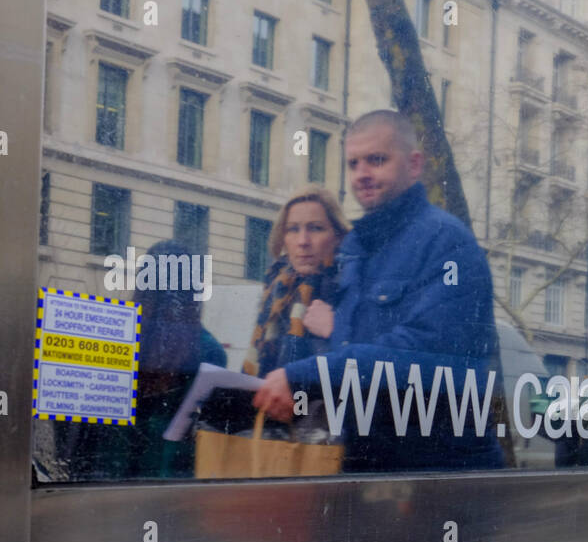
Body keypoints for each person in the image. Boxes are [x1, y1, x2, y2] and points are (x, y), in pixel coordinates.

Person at [252, 110, 503, 471]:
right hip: (371, 464)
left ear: (414, 165)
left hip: (439, 471)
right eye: (353, 164)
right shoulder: (356, 248)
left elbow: (421, 350)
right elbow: (357, 351)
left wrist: (305, 375)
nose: (362, 175)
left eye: (377, 160)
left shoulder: (447, 242)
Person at [61, 240, 226, 479]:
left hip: (104, 481)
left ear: (142, 284)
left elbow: (84, 433)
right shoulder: (209, 352)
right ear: (195, 293)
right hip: (173, 487)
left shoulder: (116, 338)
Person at [242, 186, 350, 378]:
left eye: (316, 228)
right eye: (293, 229)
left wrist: (337, 330)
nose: (302, 241)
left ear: (338, 236)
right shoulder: (277, 289)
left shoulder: (351, 287)